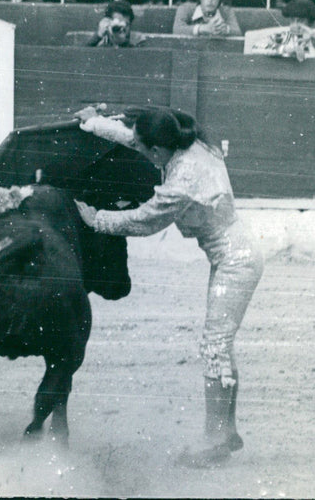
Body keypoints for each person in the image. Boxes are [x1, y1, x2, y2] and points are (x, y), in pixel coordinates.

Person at [73, 104, 263, 468]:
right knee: (219, 346)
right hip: (236, 250)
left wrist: (97, 219)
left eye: (146, 151)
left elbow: (145, 221)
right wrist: (95, 124)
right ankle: (225, 431)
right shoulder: (191, 143)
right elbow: (134, 138)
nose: (141, 153)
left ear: (158, 152)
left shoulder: (182, 182)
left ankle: (215, 438)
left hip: (235, 260)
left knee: (215, 346)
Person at [245, 0, 315, 61]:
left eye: (300, 21)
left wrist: (314, 35)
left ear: (310, 22)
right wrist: (285, 49)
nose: (295, 25)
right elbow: (255, 47)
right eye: (292, 20)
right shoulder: (284, 36)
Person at [173, 0, 243, 37]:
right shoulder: (185, 8)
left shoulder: (226, 11)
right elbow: (176, 29)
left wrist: (226, 29)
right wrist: (202, 28)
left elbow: (238, 32)